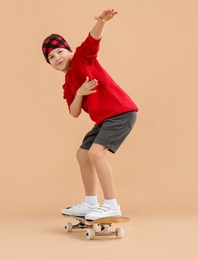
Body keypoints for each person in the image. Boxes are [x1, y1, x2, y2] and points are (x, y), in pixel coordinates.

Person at [42, 9, 138, 220]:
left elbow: (92, 41)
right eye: (50, 57)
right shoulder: (67, 83)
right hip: (105, 119)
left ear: (69, 51)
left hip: (121, 112)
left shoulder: (81, 60)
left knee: (95, 153)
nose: (56, 57)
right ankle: (90, 203)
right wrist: (80, 93)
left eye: (59, 51)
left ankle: (112, 204)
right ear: (49, 64)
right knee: (82, 154)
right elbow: (74, 112)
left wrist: (102, 22)